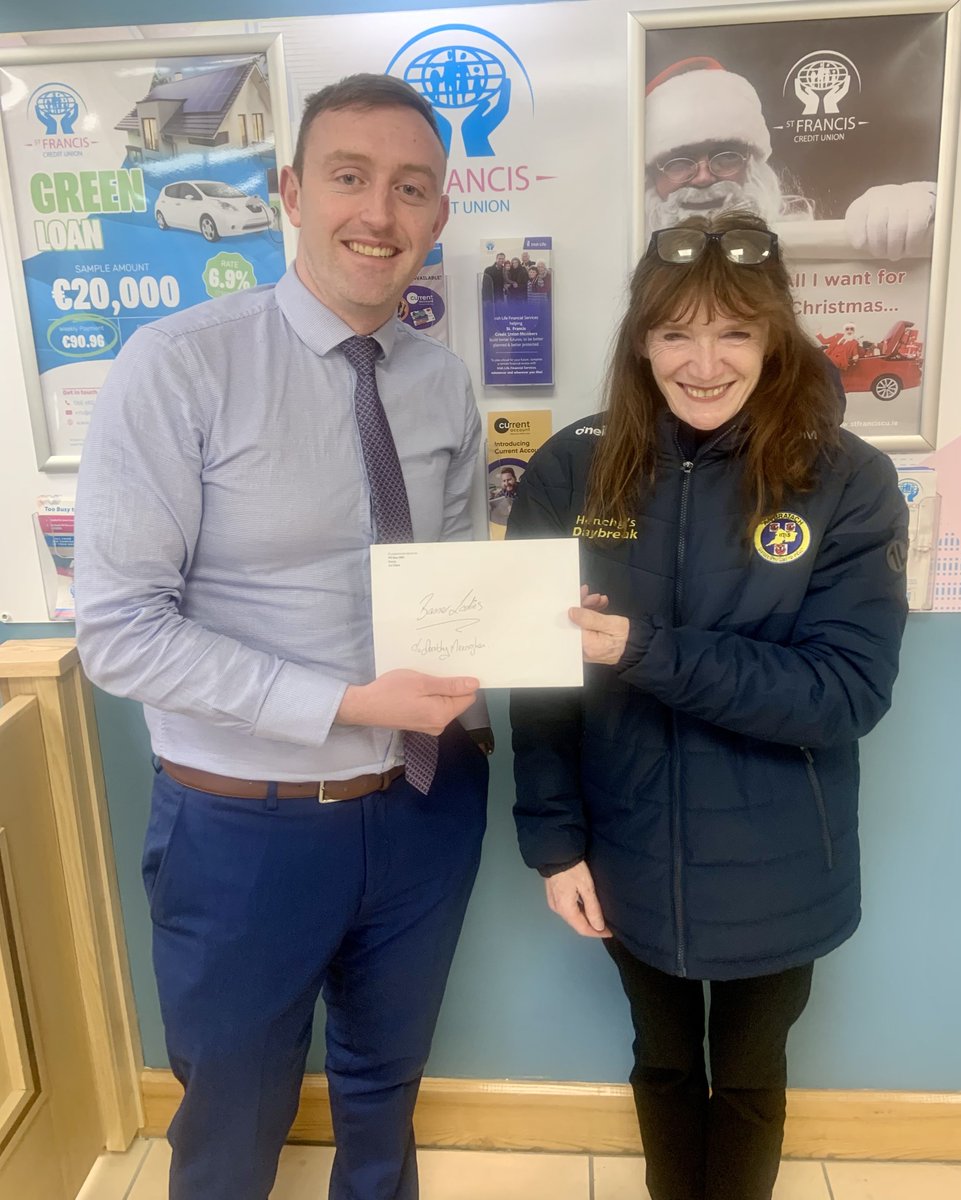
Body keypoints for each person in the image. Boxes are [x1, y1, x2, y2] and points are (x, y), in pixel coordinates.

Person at [74, 73, 492, 1200]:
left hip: (422, 807)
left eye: (411, 189)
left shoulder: (440, 380)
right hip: (243, 828)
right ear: (290, 191)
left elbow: (452, 588)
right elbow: (118, 632)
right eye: (350, 178)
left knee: (383, 1094)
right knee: (230, 1124)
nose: (379, 214)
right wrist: (347, 705)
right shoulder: (180, 364)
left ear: (439, 214)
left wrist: (529, 635)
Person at [507, 211, 908, 1200]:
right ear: (638, 341)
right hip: (626, 851)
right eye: (674, 332)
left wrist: (639, 649)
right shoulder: (574, 466)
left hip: (779, 862)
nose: (701, 361)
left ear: (773, 338)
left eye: (732, 331)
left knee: (746, 1075)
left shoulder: (845, 480)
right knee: (661, 1060)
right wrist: (554, 844)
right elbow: (538, 679)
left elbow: (844, 691)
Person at [644, 57, 936, 261]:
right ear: (652, 177)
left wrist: (917, 206)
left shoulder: (802, 235)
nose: (704, 177)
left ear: (753, 167)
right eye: (679, 163)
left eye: (726, 157)